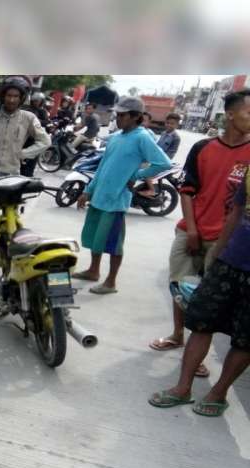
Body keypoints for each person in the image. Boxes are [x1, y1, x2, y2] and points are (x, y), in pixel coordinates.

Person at [149, 89, 250, 374]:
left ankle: (197, 358)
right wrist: (192, 230)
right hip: (191, 230)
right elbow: (187, 190)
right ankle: (177, 335)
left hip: (227, 240)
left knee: (208, 300)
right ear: (230, 114)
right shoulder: (203, 147)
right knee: (180, 288)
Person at [149, 171, 250, 416]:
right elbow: (235, 213)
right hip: (230, 260)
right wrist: (217, 254)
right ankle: (183, 388)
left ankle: (218, 393)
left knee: (246, 337)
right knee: (201, 321)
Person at [71, 97, 172, 293]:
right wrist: (88, 190)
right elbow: (102, 166)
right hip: (100, 195)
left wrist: (138, 175)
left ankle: (111, 282)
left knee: (114, 242)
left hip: (117, 199)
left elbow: (163, 163)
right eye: (118, 114)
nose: (118, 118)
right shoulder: (116, 137)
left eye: (123, 115)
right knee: (95, 237)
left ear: (136, 117)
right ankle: (93, 271)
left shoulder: (142, 137)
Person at [0, 76, 50, 253]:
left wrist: (24, 154)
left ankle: (10, 243)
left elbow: (45, 141)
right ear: (3, 96)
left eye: (16, 96)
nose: (12, 99)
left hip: (11, 173)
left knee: (10, 212)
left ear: (21, 98)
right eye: (9, 95)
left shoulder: (28, 118)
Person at [137, 112, 183, 198]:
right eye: (167, 123)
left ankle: (152, 190)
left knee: (146, 172)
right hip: (156, 158)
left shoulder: (176, 137)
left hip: (162, 161)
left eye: (172, 124)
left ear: (177, 125)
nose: (169, 125)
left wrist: (161, 160)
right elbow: (156, 146)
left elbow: (172, 153)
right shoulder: (164, 133)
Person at [21, 91, 51, 177]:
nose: (36, 103)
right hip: (23, 138)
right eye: (34, 101)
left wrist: (35, 121)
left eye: (38, 101)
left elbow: (46, 122)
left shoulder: (42, 111)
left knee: (31, 162)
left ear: (41, 102)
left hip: (34, 139)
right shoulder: (26, 108)